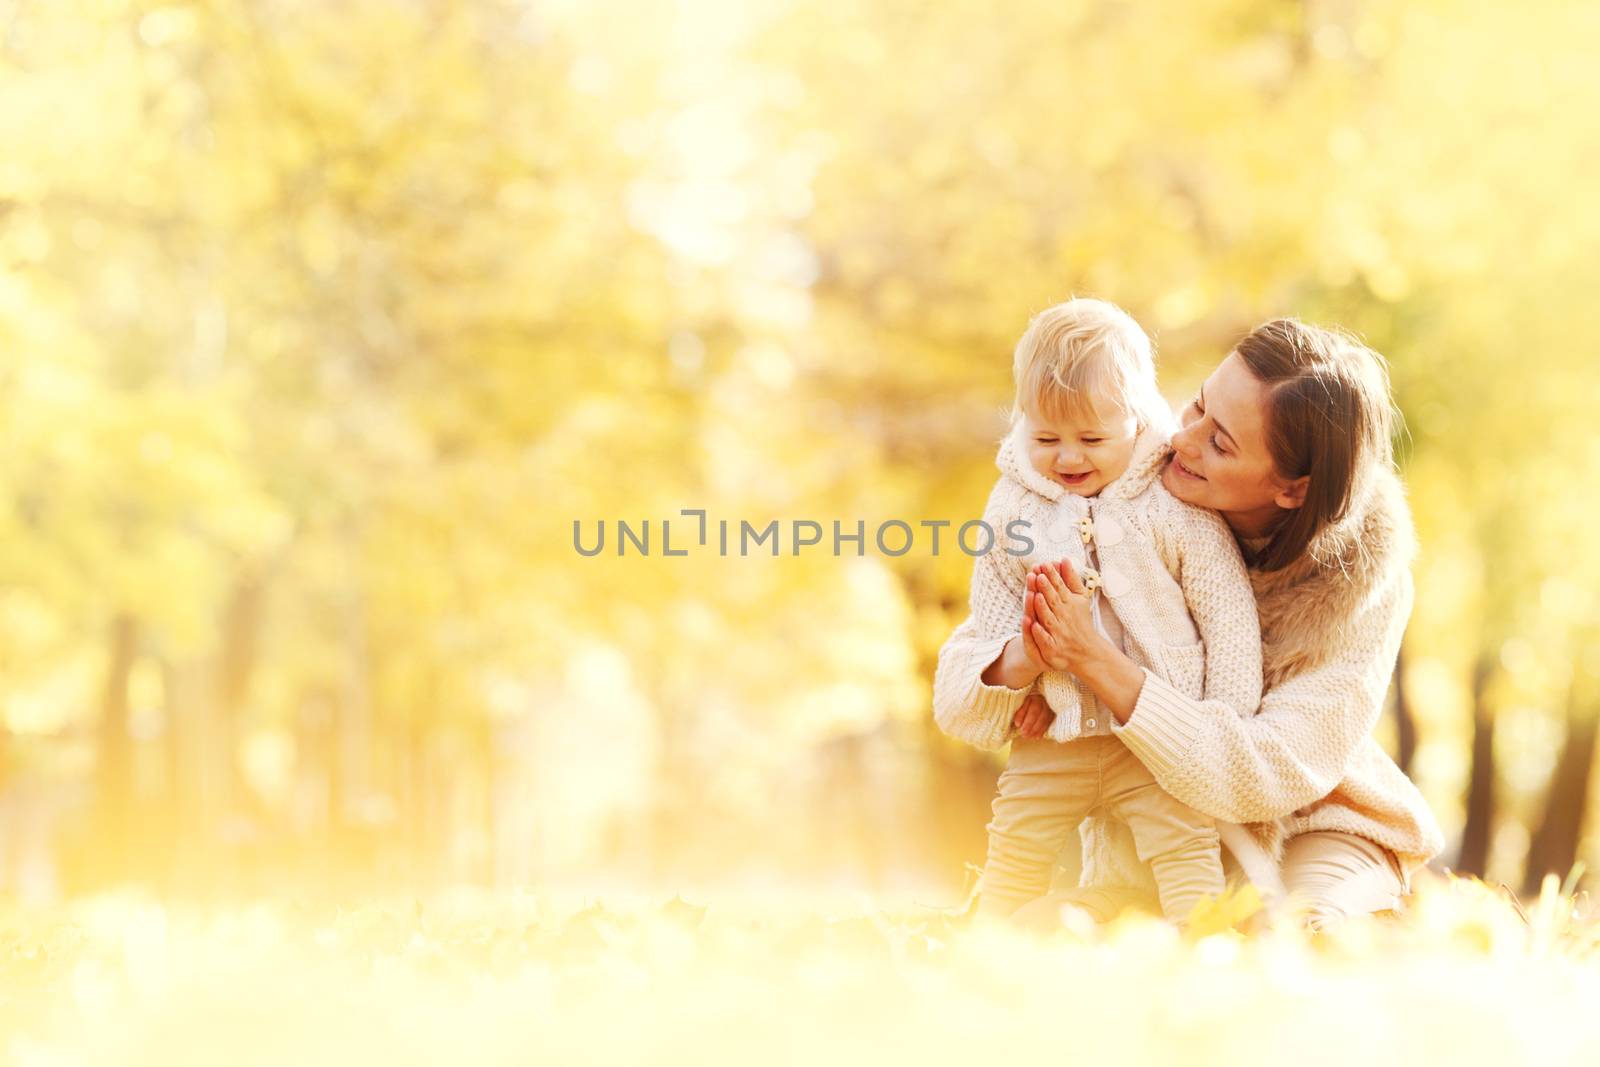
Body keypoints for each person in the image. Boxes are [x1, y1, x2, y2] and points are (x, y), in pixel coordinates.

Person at [1013, 318, 1446, 930]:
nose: (1181, 441)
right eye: (1197, 405)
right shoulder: (1118, 485)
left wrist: (1098, 664)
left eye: (1220, 444)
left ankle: (1385, 911)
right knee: (1046, 929)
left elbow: (1266, 771)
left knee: (1295, 931)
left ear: (1293, 490)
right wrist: (1037, 686)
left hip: (1315, 823)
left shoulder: (1360, 582)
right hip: (1157, 834)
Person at [931, 298, 1264, 925]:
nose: (1068, 458)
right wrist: (1023, 666)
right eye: (1045, 438)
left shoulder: (1171, 501)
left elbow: (1227, 617)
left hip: (1155, 739)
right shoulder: (1013, 510)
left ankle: (1206, 945)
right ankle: (989, 944)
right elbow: (993, 618)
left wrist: (1221, 723)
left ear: (1137, 420)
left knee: (1185, 846)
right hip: (1055, 735)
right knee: (1016, 845)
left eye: (1091, 439)